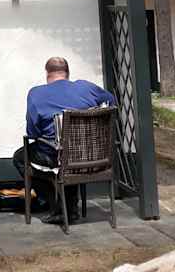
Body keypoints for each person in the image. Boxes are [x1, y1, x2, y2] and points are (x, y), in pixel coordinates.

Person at [13, 56, 115, 225]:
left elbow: (32, 132)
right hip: (90, 155)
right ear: (67, 73)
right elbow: (111, 102)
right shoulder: (86, 87)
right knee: (69, 155)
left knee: (19, 158)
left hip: (56, 156)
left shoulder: (36, 93)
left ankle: (57, 203)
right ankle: (68, 204)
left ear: (47, 74)